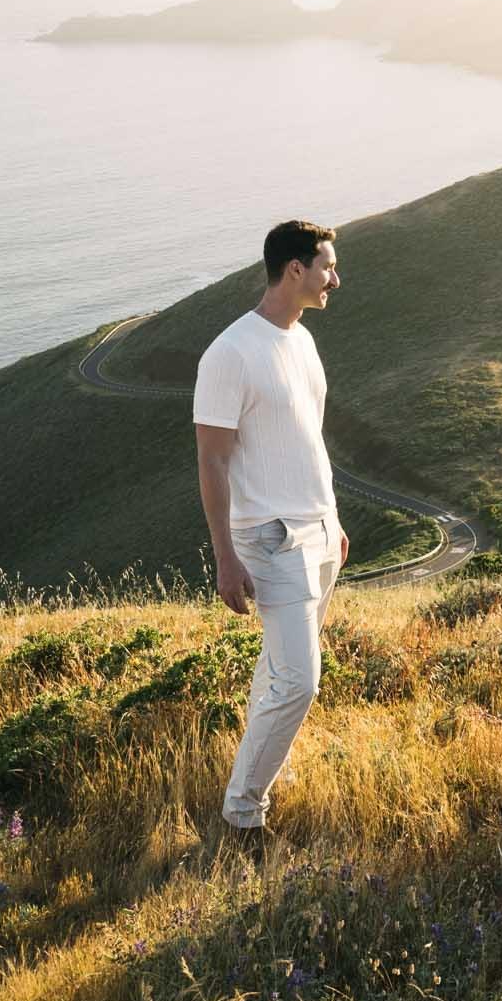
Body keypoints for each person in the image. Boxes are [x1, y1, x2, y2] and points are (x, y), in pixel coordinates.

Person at [193, 219, 347, 857]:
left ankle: (246, 790)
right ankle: (241, 817)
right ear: (294, 270)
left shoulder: (303, 342)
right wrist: (225, 557)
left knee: (278, 674)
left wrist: (334, 520)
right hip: (268, 538)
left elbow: (308, 439)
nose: (335, 278)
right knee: (300, 681)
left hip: (318, 534)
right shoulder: (229, 353)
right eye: (327, 267)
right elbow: (212, 463)